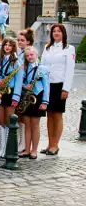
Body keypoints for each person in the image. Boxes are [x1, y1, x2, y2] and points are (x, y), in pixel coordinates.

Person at [40, 23, 75, 156]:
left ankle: (55, 145)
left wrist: (66, 89)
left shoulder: (68, 48)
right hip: (48, 84)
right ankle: (49, 144)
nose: (56, 33)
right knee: (49, 115)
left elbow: (70, 70)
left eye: (59, 31)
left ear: (63, 33)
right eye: (54, 31)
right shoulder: (47, 47)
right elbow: (42, 65)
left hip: (60, 85)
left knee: (57, 115)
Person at [18, 46, 49, 160]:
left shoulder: (43, 68)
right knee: (27, 125)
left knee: (35, 125)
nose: (29, 57)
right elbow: (20, 82)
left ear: (36, 55)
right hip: (27, 97)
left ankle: (34, 150)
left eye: (31, 55)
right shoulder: (24, 68)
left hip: (38, 97)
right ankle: (26, 149)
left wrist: (45, 102)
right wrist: (24, 86)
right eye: (27, 56)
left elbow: (46, 86)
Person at [0, 36, 23, 158]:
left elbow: (19, 81)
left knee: (8, 120)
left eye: (10, 45)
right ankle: (0, 147)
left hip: (10, 93)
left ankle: (7, 147)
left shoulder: (17, 62)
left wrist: (16, 97)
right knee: (0, 120)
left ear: (13, 47)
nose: (7, 47)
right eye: (5, 44)